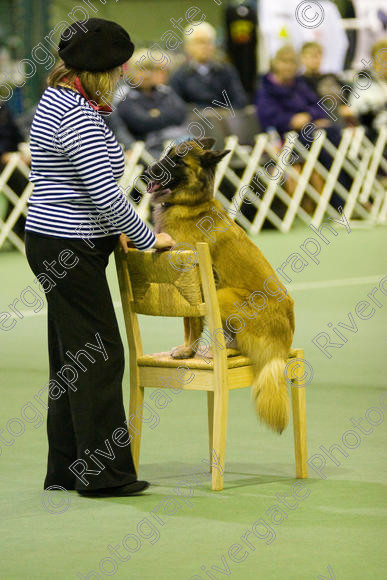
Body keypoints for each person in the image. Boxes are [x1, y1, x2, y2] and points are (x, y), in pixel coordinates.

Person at [24, 18, 175, 498]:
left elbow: (92, 195)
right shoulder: (80, 116)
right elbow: (105, 195)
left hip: (54, 240)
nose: (121, 75)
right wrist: (148, 236)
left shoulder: (57, 100)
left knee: (70, 359)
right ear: (100, 72)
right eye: (116, 68)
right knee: (100, 357)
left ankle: (66, 469)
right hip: (69, 247)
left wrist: (119, 234)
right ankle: (103, 475)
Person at [256, 45, 350, 210]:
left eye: (292, 62)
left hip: (307, 133)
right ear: (275, 63)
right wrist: (291, 120)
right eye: (284, 62)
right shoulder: (265, 88)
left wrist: (308, 117)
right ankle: (341, 202)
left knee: (335, 137)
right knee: (329, 141)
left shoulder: (299, 84)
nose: (288, 66)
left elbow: (318, 107)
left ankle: (347, 198)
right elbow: (266, 117)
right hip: (283, 139)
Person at [111, 49, 188, 158]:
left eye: (150, 70)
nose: (146, 75)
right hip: (144, 147)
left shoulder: (164, 90)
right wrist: (164, 114)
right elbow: (140, 123)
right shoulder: (123, 94)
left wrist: (154, 115)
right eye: (141, 70)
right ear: (131, 71)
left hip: (174, 140)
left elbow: (180, 113)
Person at [169, 22, 247, 110]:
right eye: (200, 42)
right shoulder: (179, 75)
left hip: (224, 120)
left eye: (209, 42)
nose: (206, 46)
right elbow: (176, 107)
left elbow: (240, 101)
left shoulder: (226, 71)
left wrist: (220, 113)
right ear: (188, 46)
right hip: (193, 122)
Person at [300, 42, 355, 125]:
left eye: (318, 56)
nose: (315, 60)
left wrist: (348, 107)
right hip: (322, 118)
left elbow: (349, 94)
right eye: (311, 56)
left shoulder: (331, 77)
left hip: (344, 115)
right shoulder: (301, 82)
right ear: (302, 58)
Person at [348, 38, 387, 142]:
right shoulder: (364, 78)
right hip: (371, 123)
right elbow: (356, 106)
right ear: (375, 60)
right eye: (383, 59)